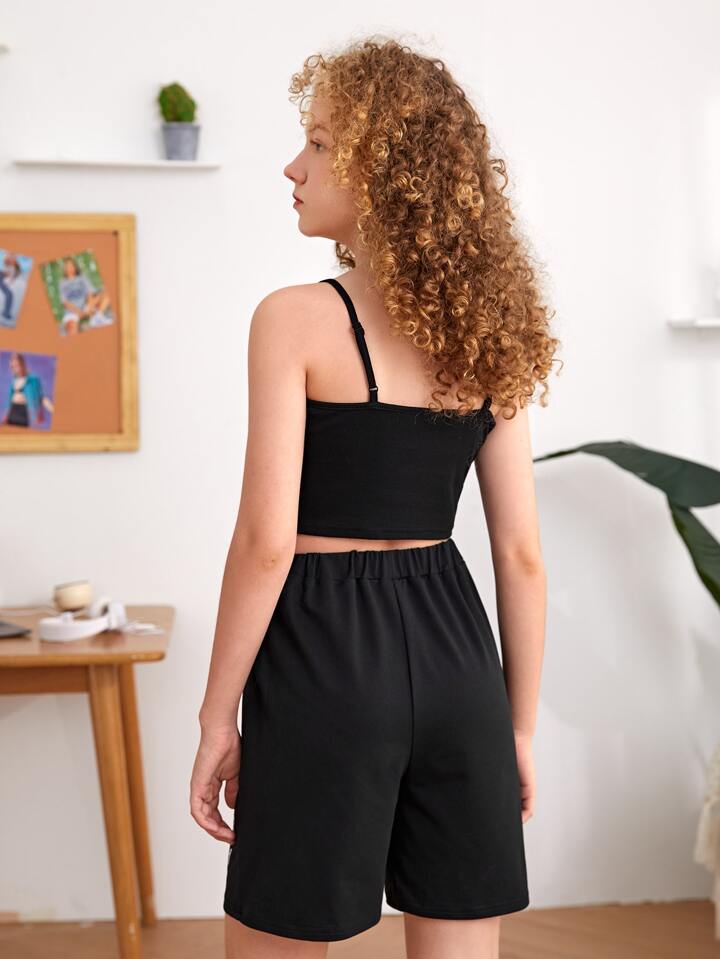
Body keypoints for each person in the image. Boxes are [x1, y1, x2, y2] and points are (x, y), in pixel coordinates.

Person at [191, 36, 560, 959]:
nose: (294, 165)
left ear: (382, 172)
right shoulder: (491, 332)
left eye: (318, 143)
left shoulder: (293, 319)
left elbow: (265, 542)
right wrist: (516, 725)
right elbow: (520, 554)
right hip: (458, 656)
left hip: (323, 657)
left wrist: (215, 717)